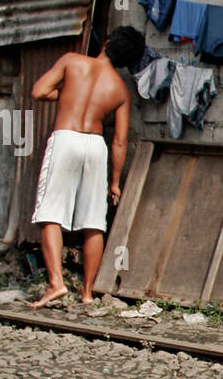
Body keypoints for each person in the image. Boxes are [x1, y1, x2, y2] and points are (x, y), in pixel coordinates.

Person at [29, 25, 144, 308]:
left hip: (66, 138)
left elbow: (39, 91)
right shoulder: (120, 89)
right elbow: (119, 141)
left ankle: (56, 283)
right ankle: (88, 292)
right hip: (95, 146)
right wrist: (115, 182)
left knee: (51, 214)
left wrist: (67, 94)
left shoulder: (72, 61)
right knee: (94, 222)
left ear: (105, 43)